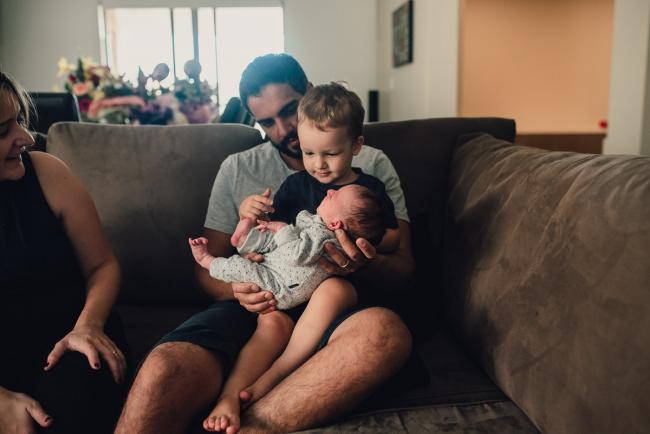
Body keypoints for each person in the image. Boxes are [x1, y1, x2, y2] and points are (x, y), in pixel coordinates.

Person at [115, 54, 415, 434]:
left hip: (338, 310)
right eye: (266, 122)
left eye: (289, 111)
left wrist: (364, 262)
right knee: (164, 367)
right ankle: (233, 401)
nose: (284, 129)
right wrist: (239, 289)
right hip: (261, 301)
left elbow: (403, 264)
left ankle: (251, 417)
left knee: (384, 336)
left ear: (309, 95)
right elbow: (207, 268)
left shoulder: (372, 165)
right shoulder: (238, 170)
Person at [0, 71, 127, 434]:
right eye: (2, 131)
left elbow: (103, 265)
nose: (24, 138)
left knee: (76, 397)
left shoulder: (47, 174)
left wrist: (87, 327)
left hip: (70, 343)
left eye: (20, 122)